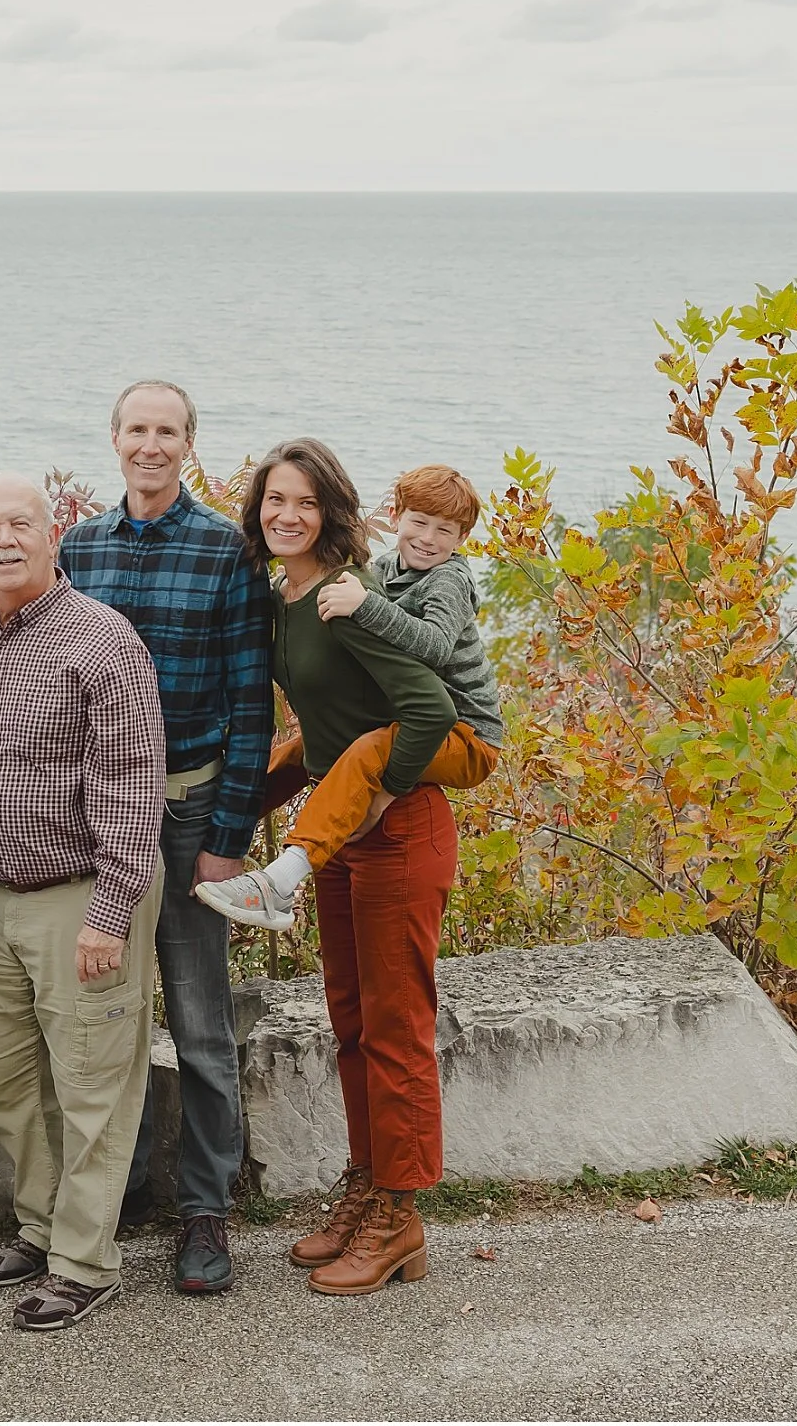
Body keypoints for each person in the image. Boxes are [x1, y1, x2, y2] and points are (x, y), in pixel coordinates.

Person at [57, 379, 271, 1294]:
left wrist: (229, 836)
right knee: (109, 1015)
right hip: (101, 819)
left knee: (198, 1022)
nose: (151, 444)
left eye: (168, 431)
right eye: (137, 428)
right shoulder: (78, 546)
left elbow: (251, 704)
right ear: (114, 439)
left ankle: (205, 1210)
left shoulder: (227, 549)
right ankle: (120, 1190)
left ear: (189, 443)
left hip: (189, 815)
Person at [239, 438, 460, 1296]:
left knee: (396, 1027)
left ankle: (400, 1216)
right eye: (274, 500)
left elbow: (429, 709)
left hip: (400, 828)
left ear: (333, 512)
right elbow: (328, 725)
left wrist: (382, 794)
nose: (287, 515)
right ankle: (367, 1187)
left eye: (306, 501)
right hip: (340, 832)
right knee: (352, 1021)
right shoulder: (284, 599)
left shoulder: (350, 598)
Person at [0, 472, 168, 1332]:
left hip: (82, 896)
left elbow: (134, 784)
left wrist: (110, 913)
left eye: (20, 524)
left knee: (90, 1087)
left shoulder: (102, 640)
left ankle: (85, 1263)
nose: (3, 540)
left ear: (53, 535)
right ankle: (41, 1230)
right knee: (11, 1086)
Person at [197, 462, 502, 931]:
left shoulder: (447, 580)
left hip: (468, 734)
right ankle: (204, 832)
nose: (428, 539)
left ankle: (282, 879)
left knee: (368, 749)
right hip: (411, 726)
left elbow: (437, 647)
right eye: (419, 522)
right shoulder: (383, 569)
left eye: (444, 531)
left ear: (462, 538)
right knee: (301, 752)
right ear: (396, 516)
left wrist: (365, 605)